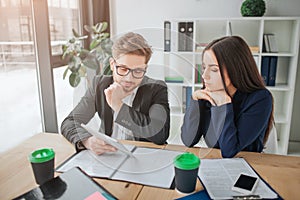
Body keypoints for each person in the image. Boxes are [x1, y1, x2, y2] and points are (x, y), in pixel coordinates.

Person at [61, 32, 170, 154]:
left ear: (145, 68)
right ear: (112, 65)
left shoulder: (156, 89)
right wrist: (87, 141)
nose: (129, 78)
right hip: (107, 155)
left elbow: (160, 135)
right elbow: (70, 122)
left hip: (142, 155)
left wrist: (118, 105)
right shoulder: (99, 84)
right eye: (123, 69)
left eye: (138, 71)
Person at [181, 36, 274, 158]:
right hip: (215, 162)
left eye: (214, 70)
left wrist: (224, 104)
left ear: (235, 70)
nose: (204, 75)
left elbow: (229, 150)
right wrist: (194, 102)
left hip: (249, 164)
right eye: (204, 67)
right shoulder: (208, 94)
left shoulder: (260, 99)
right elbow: (188, 141)